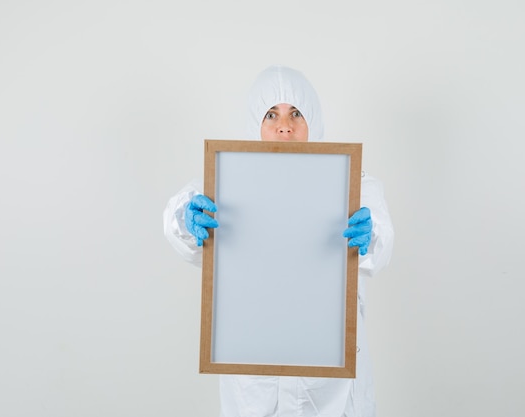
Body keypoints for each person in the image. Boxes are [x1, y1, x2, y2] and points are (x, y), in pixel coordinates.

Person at [163, 65, 394, 417]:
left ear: (312, 120)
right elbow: (179, 225)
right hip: (254, 385)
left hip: (330, 387)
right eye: (271, 113)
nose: (284, 125)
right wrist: (186, 218)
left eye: (295, 113)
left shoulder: (354, 185)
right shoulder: (224, 185)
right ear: (255, 121)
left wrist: (369, 236)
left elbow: (380, 244)